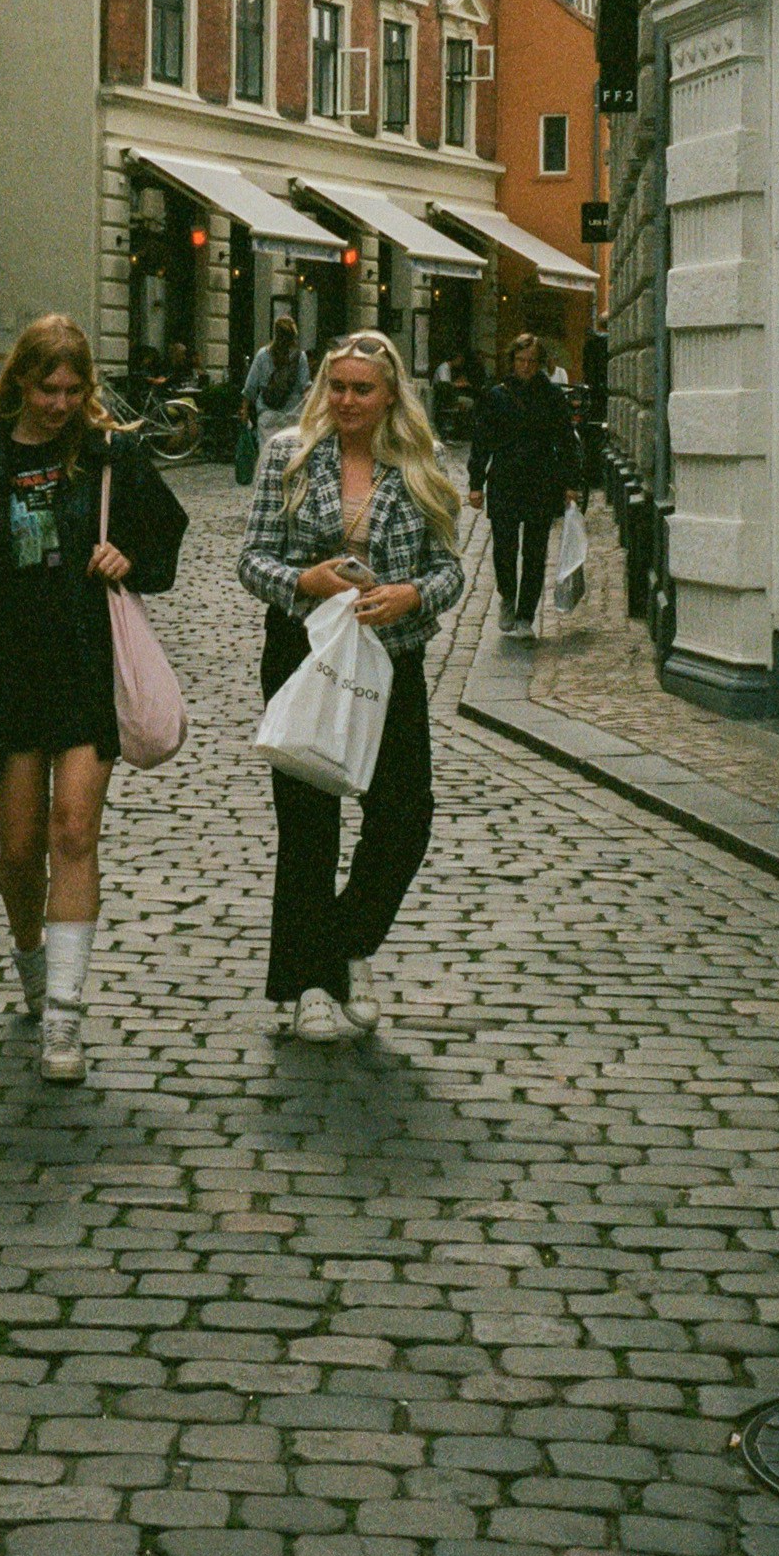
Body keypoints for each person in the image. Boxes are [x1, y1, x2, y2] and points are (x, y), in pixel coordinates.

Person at [0, 313, 188, 1085]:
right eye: (47, 388)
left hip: (81, 665)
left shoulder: (109, 456)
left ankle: (66, 1013)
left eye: (74, 389)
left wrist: (125, 553)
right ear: (20, 382)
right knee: (19, 847)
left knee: (74, 831)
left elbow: (165, 532)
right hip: (4, 670)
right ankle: (31, 957)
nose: (60, 403)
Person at [238, 329, 464, 1043]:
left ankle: (342, 945)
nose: (345, 400)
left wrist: (411, 597)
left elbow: (450, 570)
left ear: (389, 393)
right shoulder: (288, 455)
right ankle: (307, 983)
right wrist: (302, 580)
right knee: (307, 821)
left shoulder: (419, 463)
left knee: (403, 814)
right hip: (304, 650)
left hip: (390, 654)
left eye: (360, 388)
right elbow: (250, 560)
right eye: (335, 386)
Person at [468, 333, 581, 639]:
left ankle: (526, 614)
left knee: (534, 551)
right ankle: (507, 595)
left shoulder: (552, 397)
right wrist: (475, 483)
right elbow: (481, 442)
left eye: (532, 361)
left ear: (540, 363)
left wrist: (571, 482)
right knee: (504, 548)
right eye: (521, 360)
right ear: (513, 361)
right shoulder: (497, 396)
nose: (527, 366)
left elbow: (566, 442)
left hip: (541, 479)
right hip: (505, 478)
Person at [241, 313, 310, 447]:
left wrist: (244, 411)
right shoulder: (300, 356)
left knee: (267, 458)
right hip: (293, 417)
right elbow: (306, 388)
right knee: (290, 459)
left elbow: (250, 387)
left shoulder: (262, 354)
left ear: (275, 333)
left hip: (268, 416)